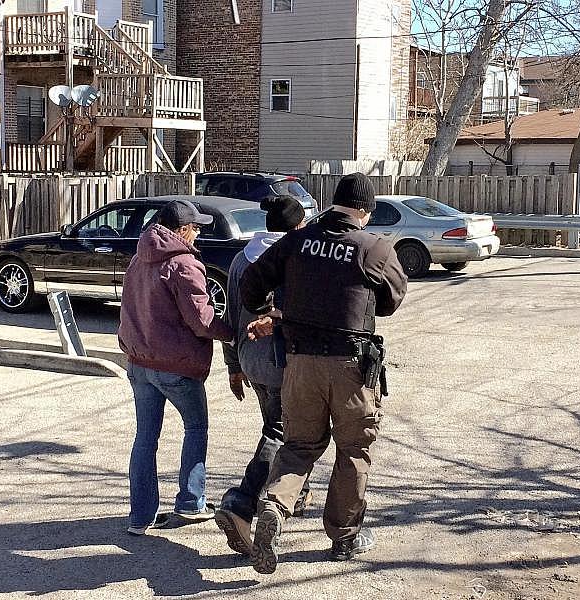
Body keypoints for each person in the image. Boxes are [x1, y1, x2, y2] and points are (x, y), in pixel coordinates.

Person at [239, 172, 408, 574]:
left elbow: (250, 283)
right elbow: (391, 300)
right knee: (352, 451)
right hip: (351, 368)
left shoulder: (296, 240)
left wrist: (269, 311)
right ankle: (344, 537)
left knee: (299, 446)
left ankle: (275, 506)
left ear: (333, 203)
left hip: (300, 365)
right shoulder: (374, 247)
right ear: (365, 211)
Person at [118, 198, 234, 536]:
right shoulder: (184, 264)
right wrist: (233, 332)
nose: (198, 233)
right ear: (181, 230)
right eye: (195, 227)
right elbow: (201, 320)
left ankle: (140, 517)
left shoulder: (139, 258)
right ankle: (191, 502)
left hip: (139, 362)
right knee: (196, 429)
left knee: (145, 438)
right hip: (177, 365)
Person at [215, 195, 312, 555]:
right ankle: (241, 503)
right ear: (299, 226)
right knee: (281, 432)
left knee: (284, 429)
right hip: (282, 363)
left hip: (250, 359)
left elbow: (229, 317)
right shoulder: (294, 259)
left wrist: (233, 366)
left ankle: (297, 493)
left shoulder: (241, 259)